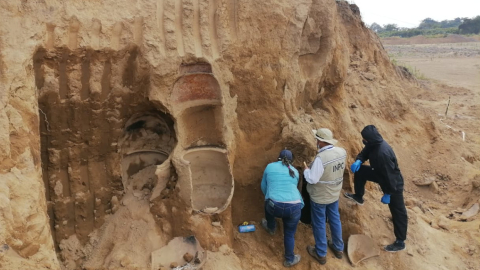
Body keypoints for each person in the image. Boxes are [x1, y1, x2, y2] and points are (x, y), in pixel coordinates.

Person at [344, 125, 408, 252]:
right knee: (360, 171)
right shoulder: (372, 144)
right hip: (379, 173)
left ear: (369, 139)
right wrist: (359, 161)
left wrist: (388, 193)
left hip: (393, 183)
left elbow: (390, 176)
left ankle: (400, 242)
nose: (363, 141)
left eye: (364, 139)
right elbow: (364, 154)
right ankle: (358, 196)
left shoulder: (382, 153)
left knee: (398, 211)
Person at [303, 128, 346, 265]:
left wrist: (306, 171)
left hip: (320, 197)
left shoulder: (321, 159)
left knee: (319, 222)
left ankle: (321, 253)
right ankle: (338, 248)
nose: (316, 141)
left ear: (321, 142)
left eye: (317, 140)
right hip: (334, 193)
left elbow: (312, 179)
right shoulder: (342, 152)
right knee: (334, 219)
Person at [261, 149, 304, 267]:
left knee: (267, 204)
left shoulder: (269, 167)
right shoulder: (295, 171)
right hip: (295, 207)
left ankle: (271, 227)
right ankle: (289, 259)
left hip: (275, 206)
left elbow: (263, 186)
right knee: (289, 234)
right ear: (291, 161)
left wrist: (269, 197)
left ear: (278, 158)